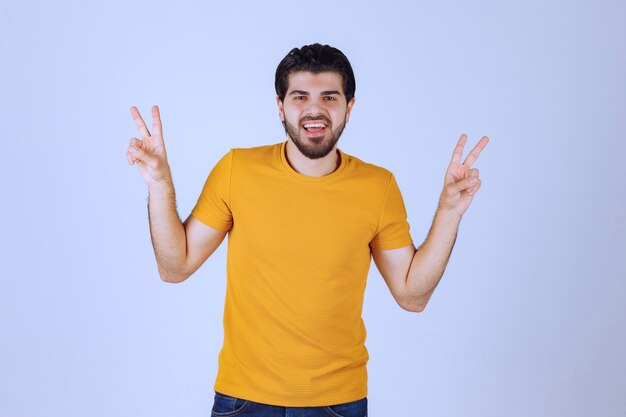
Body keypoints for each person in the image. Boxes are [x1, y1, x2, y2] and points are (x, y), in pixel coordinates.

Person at [126, 43, 488, 417]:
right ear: (280, 106)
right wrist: (159, 185)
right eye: (300, 96)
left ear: (349, 107)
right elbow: (175, 266)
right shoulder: (237, 170)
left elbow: (412, 295)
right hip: (243, 400)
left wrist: (448, 212)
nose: (315, 109)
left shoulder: (377, 187)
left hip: (337, 403)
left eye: (329, 97)